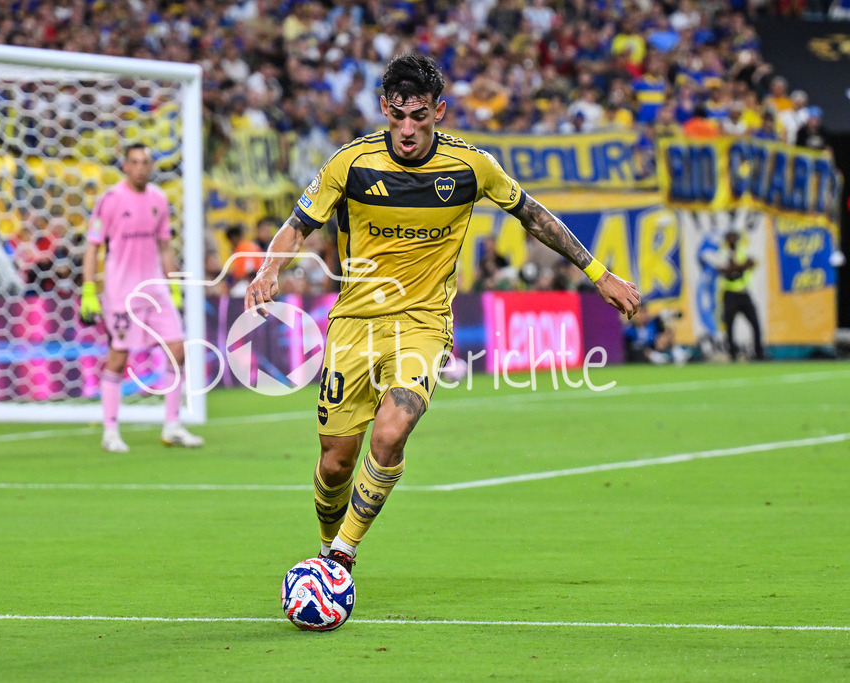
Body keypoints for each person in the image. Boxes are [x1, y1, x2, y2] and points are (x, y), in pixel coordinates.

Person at [243, 53, 641, 574]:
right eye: (398, 116)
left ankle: (341, 555)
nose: (408, 129)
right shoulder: (351, 163)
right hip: (354, 325)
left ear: (439, 111)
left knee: (391, 432)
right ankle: (325, 547)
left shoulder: (471, 166)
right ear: (384, 109)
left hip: (424, 324)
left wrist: (598, 273)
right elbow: (298, 224)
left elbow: (533, 215)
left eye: (419, 116)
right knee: (335, 462)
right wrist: (268, 269)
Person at [80, 143, 203, 452]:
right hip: (122, 292)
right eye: (134, 162)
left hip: (156, 290)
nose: (139, 168)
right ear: (125, 166)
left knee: (177, 350)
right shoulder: (110, 200)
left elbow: (164, 246)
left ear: (151, 166)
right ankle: (110, 431)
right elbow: (93, 247)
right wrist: (89, 290)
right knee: (119, 357)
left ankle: (172, 426)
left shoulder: (158, 199)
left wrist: (174, 287)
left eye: (145, 162)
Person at [718, 229, 765, 361]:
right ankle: (732, 354)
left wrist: (738, 267)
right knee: (729, 326)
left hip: (743, 293)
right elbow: (725, 271)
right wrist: (742, 266)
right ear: (726, 240)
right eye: (730, 238)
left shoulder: (742, 251)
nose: (732, 240)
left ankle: (759, 353)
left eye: (734, 238)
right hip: (730, 294)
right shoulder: (722, 253)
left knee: (755, 324)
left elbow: (752, 263)